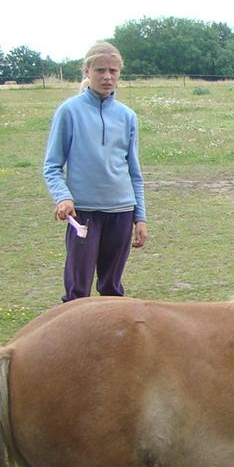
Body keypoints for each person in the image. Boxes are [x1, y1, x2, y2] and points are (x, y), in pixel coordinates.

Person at [43, 41, 148, 301]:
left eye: (113, 71)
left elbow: (134, 171)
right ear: (87, 71)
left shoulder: (127, 116)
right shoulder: (69, 112)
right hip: (84, 213)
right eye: (100, 70)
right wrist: (63, 197)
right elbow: (52, 166)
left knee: (112, 289)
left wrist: (140, 216)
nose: (107, 77)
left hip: (121, 211)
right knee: (78, 291)